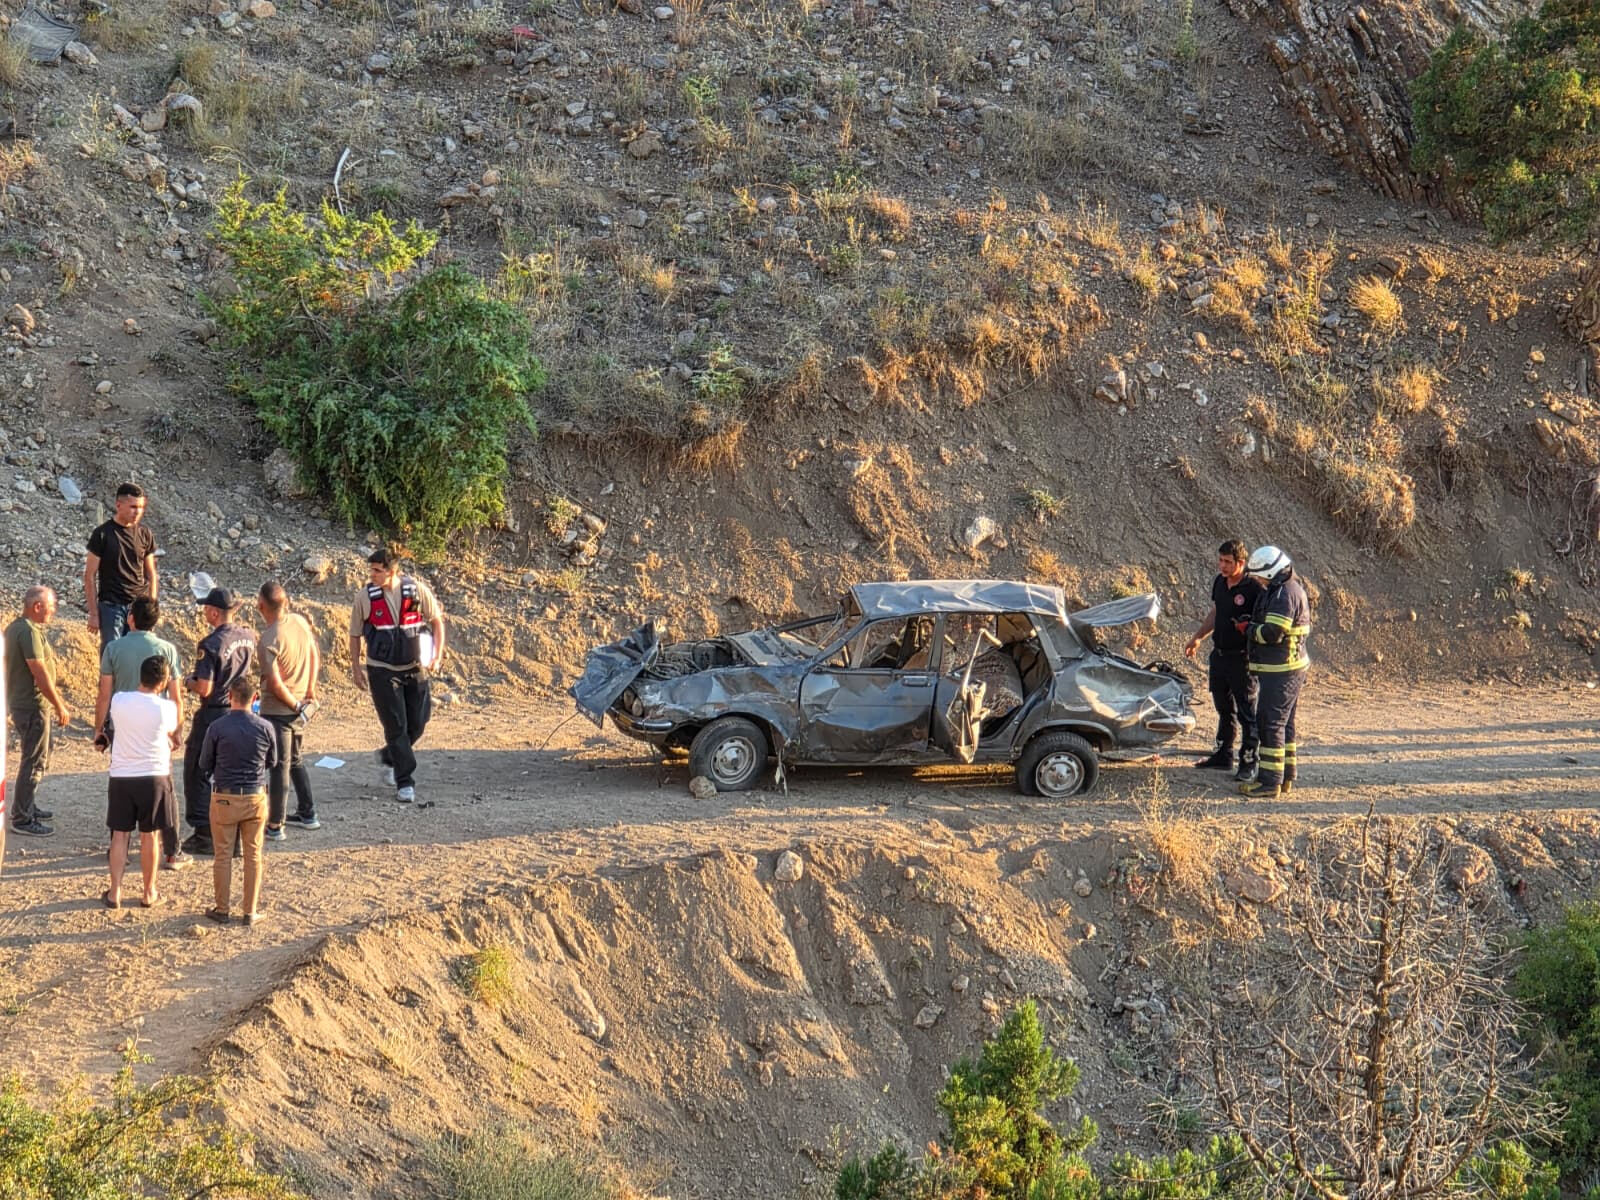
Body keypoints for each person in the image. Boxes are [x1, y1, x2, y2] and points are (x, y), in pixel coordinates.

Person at [93, 596, 187, 869]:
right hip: (158, 722)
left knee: (121, 778)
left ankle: (118, 844)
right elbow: (177, 697)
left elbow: (104, 693)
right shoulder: (167, 649)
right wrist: (177, 729)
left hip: (122, 720)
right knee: (163, 788)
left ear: (131, 617)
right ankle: (172, 850)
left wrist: (99, 730)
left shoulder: (113, 648)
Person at [349, 549, 445, 804]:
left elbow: (436, 621)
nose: (372, 575)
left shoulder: (415, 591)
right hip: (382, 671)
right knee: (396, 727)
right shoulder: (365, 598)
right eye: (371, 570)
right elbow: (355, 634)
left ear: (392, 572)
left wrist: (436, 655)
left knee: (419, 721)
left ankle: (390, 756)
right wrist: (356, 667)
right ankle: (405, 782)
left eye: (377, 570)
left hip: (415, 669)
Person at [181, 587, 256, 856]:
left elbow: (204, 687)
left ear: (214, 612)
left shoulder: (211, 643)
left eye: (206, 609)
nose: (204, 613)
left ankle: (204, 832)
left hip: (214, 712)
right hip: (240, 708)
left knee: (197, 770)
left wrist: (186, 681)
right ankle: (233, 829)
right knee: (231, 771)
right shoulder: (248, 636)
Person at [103, 655, 180, 909]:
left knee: (119, 836)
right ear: (162, 682)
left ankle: (115, 892)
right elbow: (171, 732)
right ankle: (149, 892)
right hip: (154, 776)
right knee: (150, 836)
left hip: (122, 775)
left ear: (141, 676)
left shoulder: (119, 700)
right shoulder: (166, 707)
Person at [200, 676, 278, 925]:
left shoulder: (217, 727)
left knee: (223, 855)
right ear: (254, 698)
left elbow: (204, 764)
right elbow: (272, 762)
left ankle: (222, 909)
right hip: (255, 794)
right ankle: (250, 911)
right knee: (253, 855)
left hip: (225, 795)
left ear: (230, 697)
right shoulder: (265, 727)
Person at [1184, 539, 1264, 778]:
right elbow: (1217, 611)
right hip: (1219, 656)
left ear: (1241, 562)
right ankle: (1223, 755)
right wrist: (1198, 637)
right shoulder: (1220, 582)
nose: (1223, 566)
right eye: (1220, 560)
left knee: (1247, 712)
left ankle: (1249, 762)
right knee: (1223, 709)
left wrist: (1251, 630)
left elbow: (1265, 621)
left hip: (1243, 659)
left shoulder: (1254, 589)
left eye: (1228, 562)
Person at [1238, 545, 1312, 799]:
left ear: (1270, 573)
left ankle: (1269, 782)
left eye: (1259, 576)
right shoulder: (1283, 588)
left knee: (1270, 722)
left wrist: (1248, 629)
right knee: (1284, 724)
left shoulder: (1284, 595)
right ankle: (1285, 776)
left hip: (1282, 672)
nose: (1257, 581)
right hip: (1286, 670)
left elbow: (1272, 633)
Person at [256, 581, 321, 840]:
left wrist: (293, 703)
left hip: (279, 710)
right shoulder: (299, 622)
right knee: (294, 759)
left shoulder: (268, 640)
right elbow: (314, 653)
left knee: (279, 766)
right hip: (300, 705)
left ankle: (276, 824)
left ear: (261, 606)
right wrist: (310, 691)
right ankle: (308, 813)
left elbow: (274, 682)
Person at [4, 587, 68, 837]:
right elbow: (38, 671)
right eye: (51, 606)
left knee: (39, 755)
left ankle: (26, 805)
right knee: (33, 759)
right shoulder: (27, 631)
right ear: (37, 607)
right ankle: (22, 817)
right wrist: (58, 703)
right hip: (32, 705)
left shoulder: (17, 628)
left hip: (27, 704)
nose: (54, 611)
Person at [84, 482, 158, 651]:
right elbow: (89, 575)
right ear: (119, 505)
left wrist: (152, 607)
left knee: (138, 654)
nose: (137, 512)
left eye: (140, 507)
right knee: (112, 653)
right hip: (111, 606)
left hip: (138, 606)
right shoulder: (102, 534)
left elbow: (151, 574)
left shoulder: (145, 534)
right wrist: (94, 614)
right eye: (133, 507)